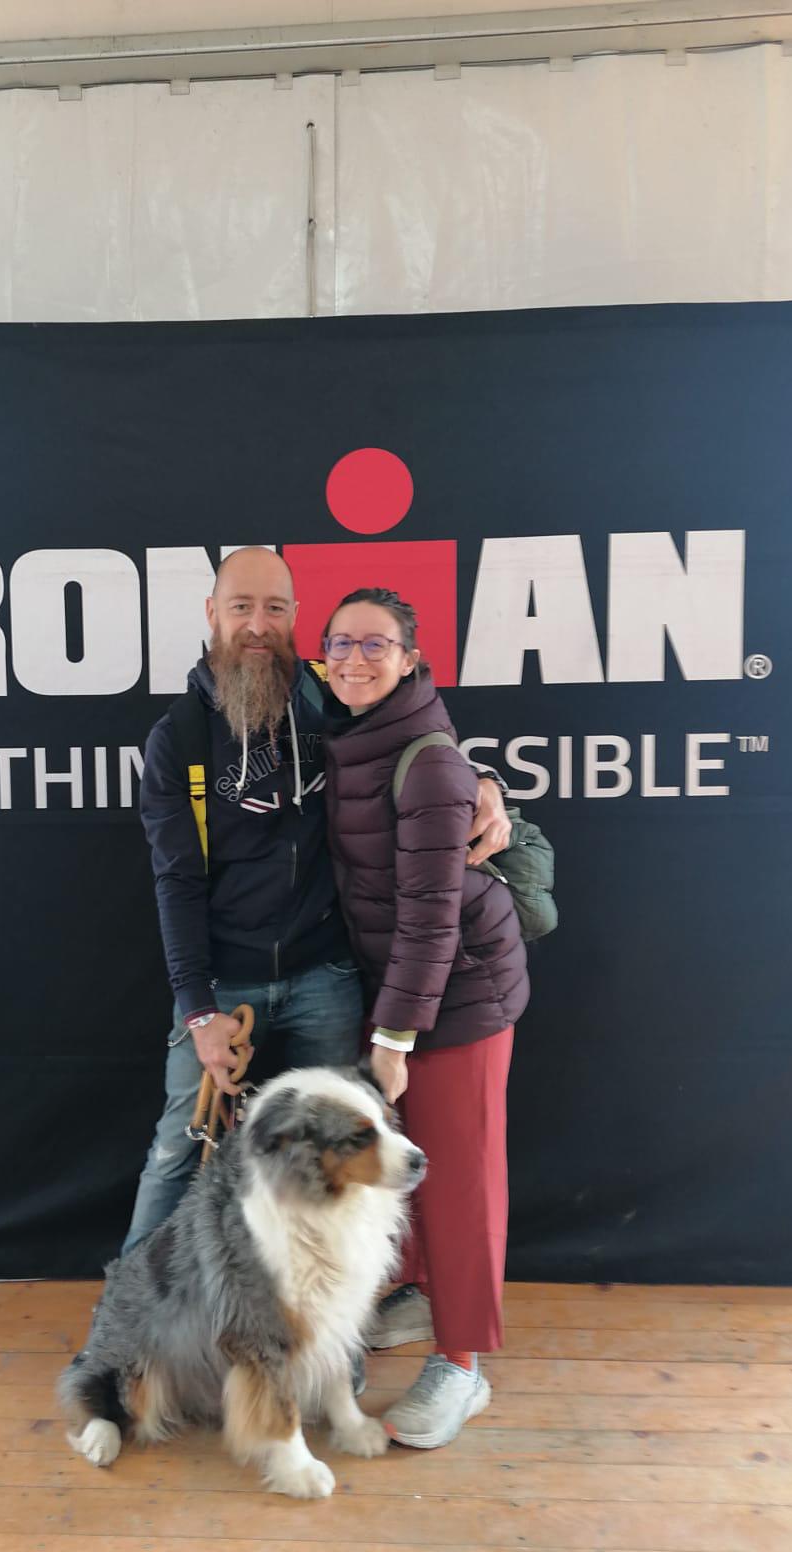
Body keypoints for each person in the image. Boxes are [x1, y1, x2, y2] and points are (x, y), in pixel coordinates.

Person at [125, 548, 511, 1252]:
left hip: (326, 976)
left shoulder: (330, 695)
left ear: (296, 616)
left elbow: (416, 731)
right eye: (241, 607)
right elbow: (175, 882)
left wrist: (481, 778)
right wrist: (199, 1010)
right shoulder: (177, 737)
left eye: (275, 608)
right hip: (223, 982)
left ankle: (326, 1309)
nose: (258, 625)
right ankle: (126, 1312)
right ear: (212, 614)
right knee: (179, 1148)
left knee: (337, 1152)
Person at [321, 585, 530, 1449]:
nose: (355, 659)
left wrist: (394, 1038)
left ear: (410, 659)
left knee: (461, 1181)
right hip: (399, 990)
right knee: (403, 1167)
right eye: (340, 643)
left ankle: (463, 1364)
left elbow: (432, 919)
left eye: (376, 644)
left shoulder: (430, 763)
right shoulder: (348, 731)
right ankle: (415, 1297)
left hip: (462, 997)